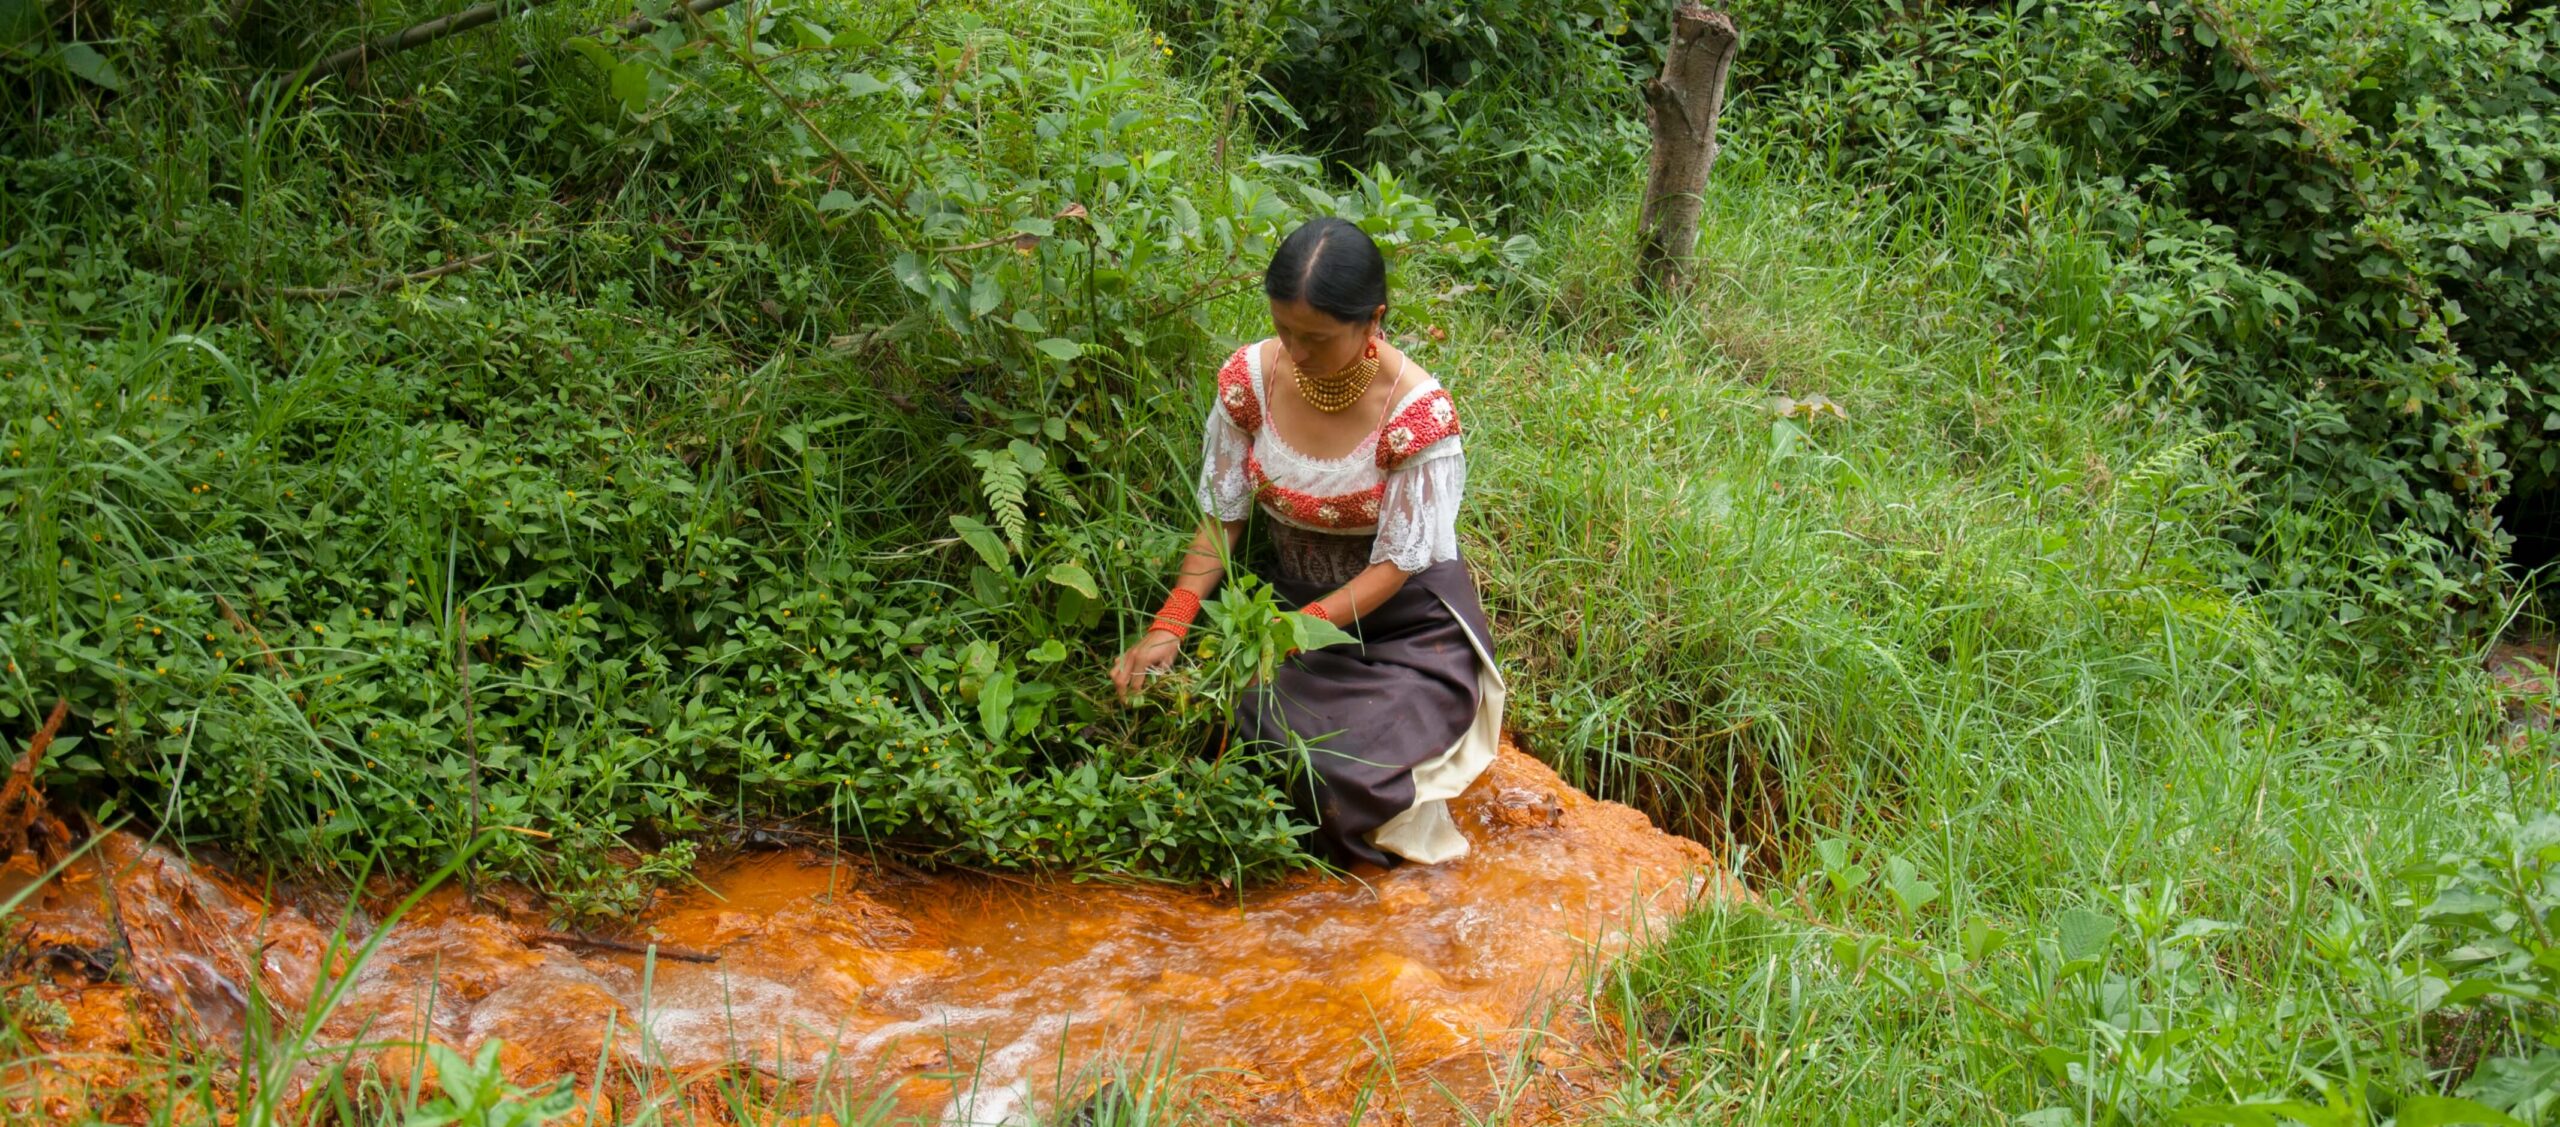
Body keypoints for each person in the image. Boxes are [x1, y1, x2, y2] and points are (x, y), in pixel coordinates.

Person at [1110, 217, 1506, 869]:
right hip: (1285, 609)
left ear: (1373, 320)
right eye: (1284, 328)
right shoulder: (1250, 382)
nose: (1293, 350)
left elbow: (1396, 566)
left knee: (1337, 767)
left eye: (1315, 338)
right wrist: (1171, 622)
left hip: (1405, 634)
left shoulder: (1416, 416)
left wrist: (1293, 633)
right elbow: (1222, 518)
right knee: (1211, 713)